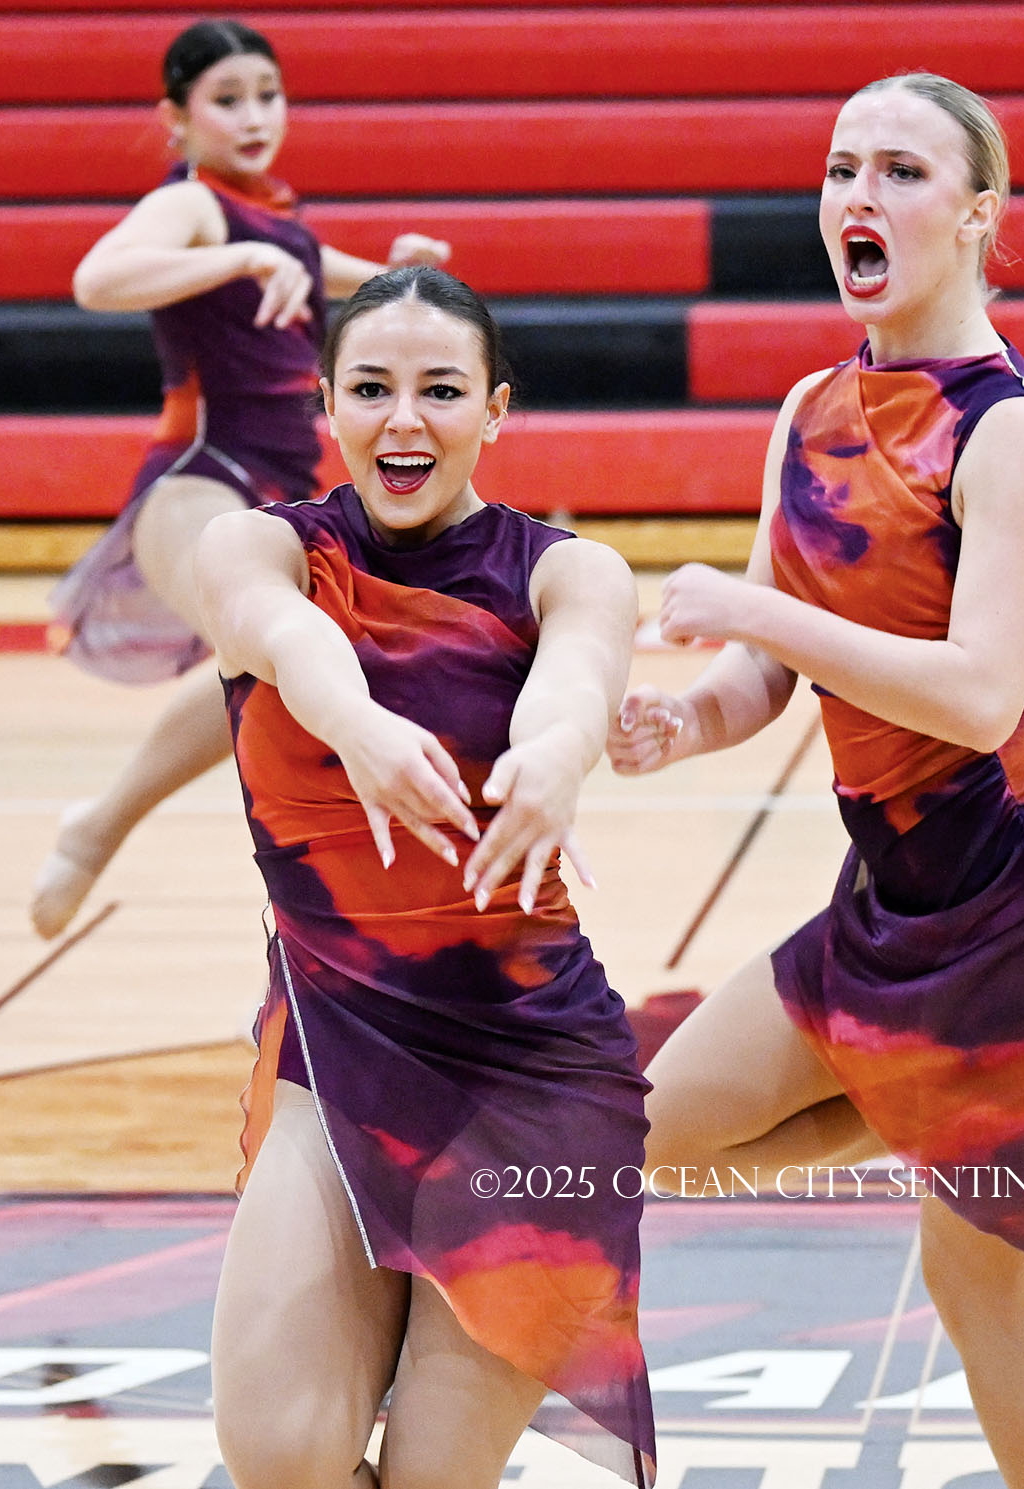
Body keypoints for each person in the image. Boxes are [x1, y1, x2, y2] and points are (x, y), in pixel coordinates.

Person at [608, 72, 1024, 1489]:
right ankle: (999, 1094)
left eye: (900, 170)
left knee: (982, 1295)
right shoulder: (808, 406)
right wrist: (685, 721)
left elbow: (972, 691)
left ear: (976, 214)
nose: (858, 196)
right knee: (641, 1128)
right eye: (841, 168)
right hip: (891, 894)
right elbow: (764, 671)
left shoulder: (1010, 429)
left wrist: (751, 611)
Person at [192, 265, 655, 1489]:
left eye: (442, 390)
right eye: (372, 388)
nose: (405, 419)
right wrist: (355, 724)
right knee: (278, 1452)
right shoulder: (256, 547)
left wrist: (553, 755)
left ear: (495, 411)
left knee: (436, 1478)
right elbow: (283, 635)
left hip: (527, 1066)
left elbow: (578, 673)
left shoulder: (568, 569)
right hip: (334, 1045)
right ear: (325, 404)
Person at [30, 18, 450, 939]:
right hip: (198, 483)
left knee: (272, 668)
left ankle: (105, 825)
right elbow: (96, 278)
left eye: (268, 94)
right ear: (176, 119)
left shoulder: (274, 216)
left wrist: (399, 273)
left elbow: (323, 271)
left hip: (276, 493)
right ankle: (294, 885)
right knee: (282, 652)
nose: (255, 116)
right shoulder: (196, 205)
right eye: (228, 100)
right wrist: (235, 254)